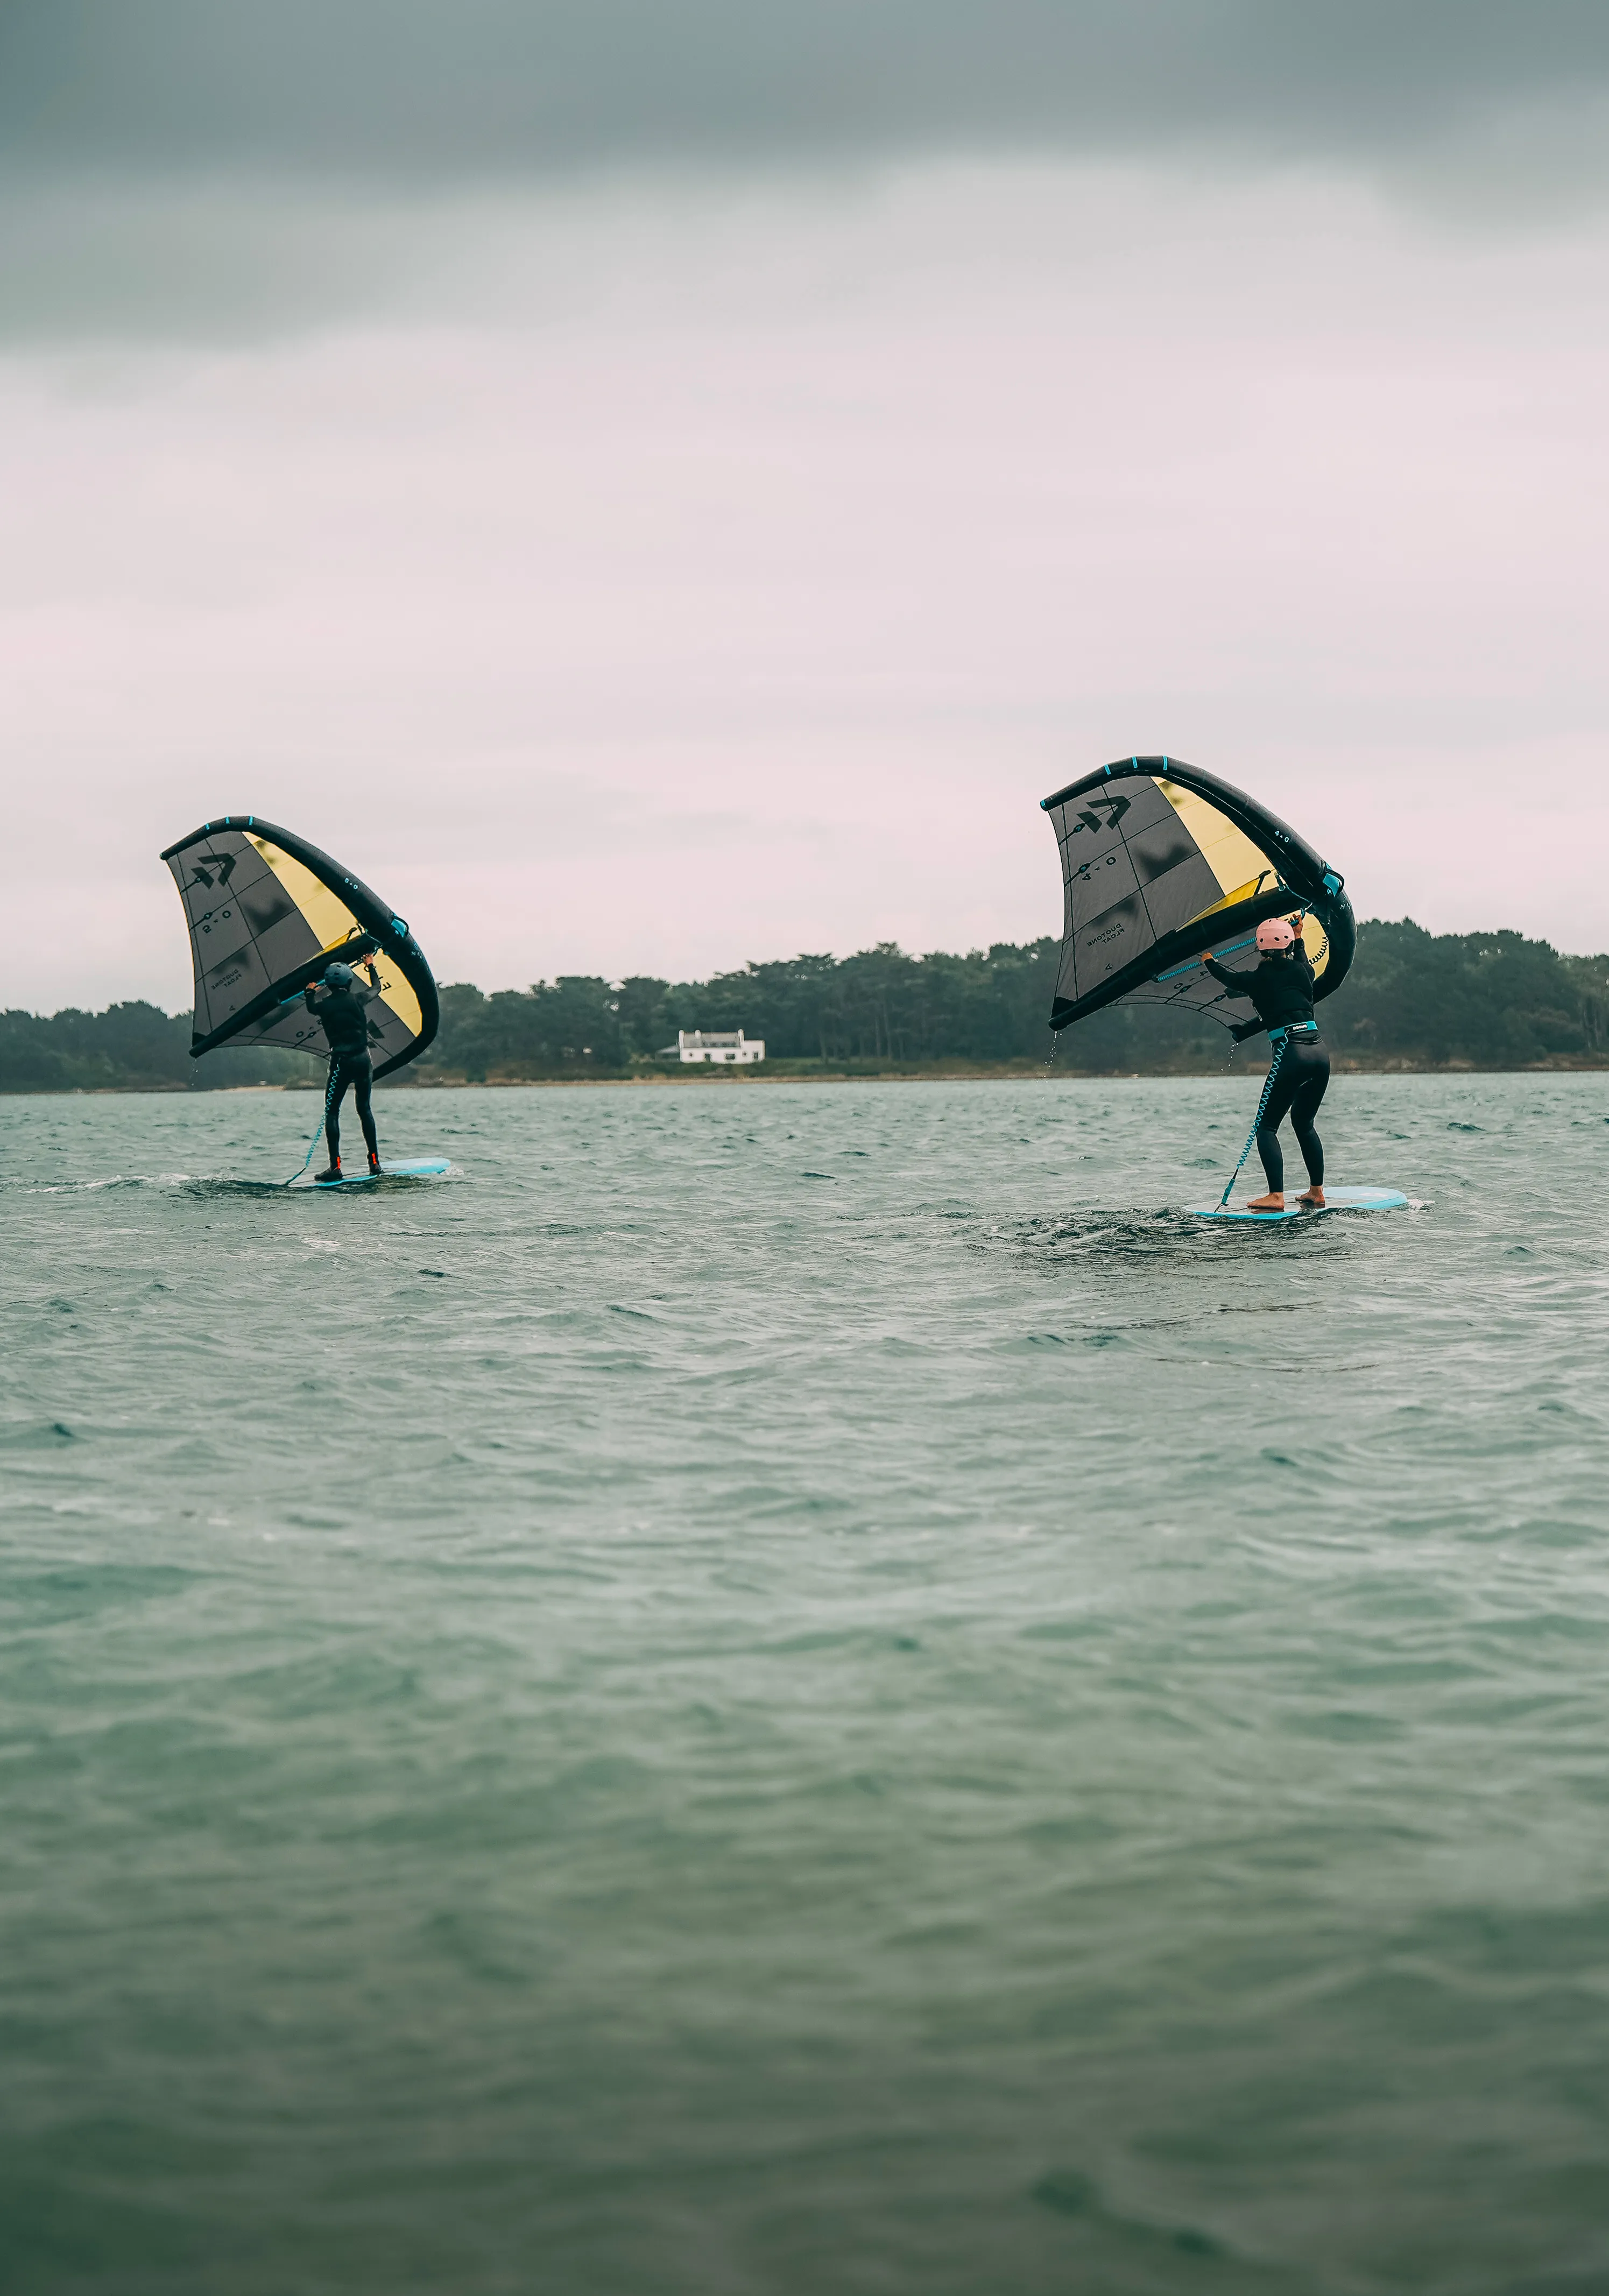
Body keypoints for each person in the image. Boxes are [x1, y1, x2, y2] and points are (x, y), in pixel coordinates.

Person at [1202, 916, 1329, 1212]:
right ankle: (1317, 1191)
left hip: (1291, 1053)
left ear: (1260, 948)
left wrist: (1207, 958)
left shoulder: (1256, 979)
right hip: (1319, 1053)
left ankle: (1275, 1196)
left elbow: (1228, 978)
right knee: (1304, 1122)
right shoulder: (1303, 971)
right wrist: (1298, 935)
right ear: (1287, 943)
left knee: (1267, 1127)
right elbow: (1300, 957)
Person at [304, 949, 384, 1182]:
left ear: (328, 985)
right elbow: (376, 988)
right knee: (365, 1110)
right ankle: (375, 1164)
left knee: (332, 1112)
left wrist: (310, 991)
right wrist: (370, 965)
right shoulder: (359, 999)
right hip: (362, 1060)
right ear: (350, 982)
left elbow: (311, 1007)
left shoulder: (324, 1006)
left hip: (341, 1063)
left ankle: (335, 1167)